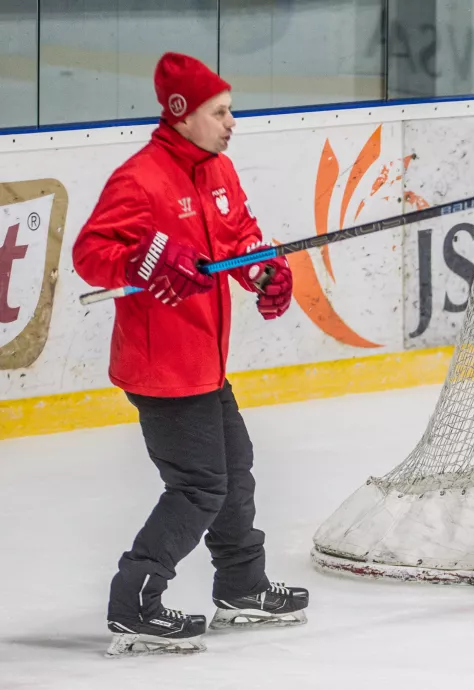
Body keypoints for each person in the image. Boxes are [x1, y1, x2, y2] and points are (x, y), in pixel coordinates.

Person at [72, 52, 308, 657]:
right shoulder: (140, 179)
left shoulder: (218, 171)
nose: (231, 122)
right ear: (182, 114)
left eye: (230, 110)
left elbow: (240, 237)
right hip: (162, 369)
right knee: (200, 486)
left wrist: (262, 271)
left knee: (236, 469)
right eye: (219, 112)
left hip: (206, 362)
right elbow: (90, 253)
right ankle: (134, 602)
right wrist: (143, 258)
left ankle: (242, 586)